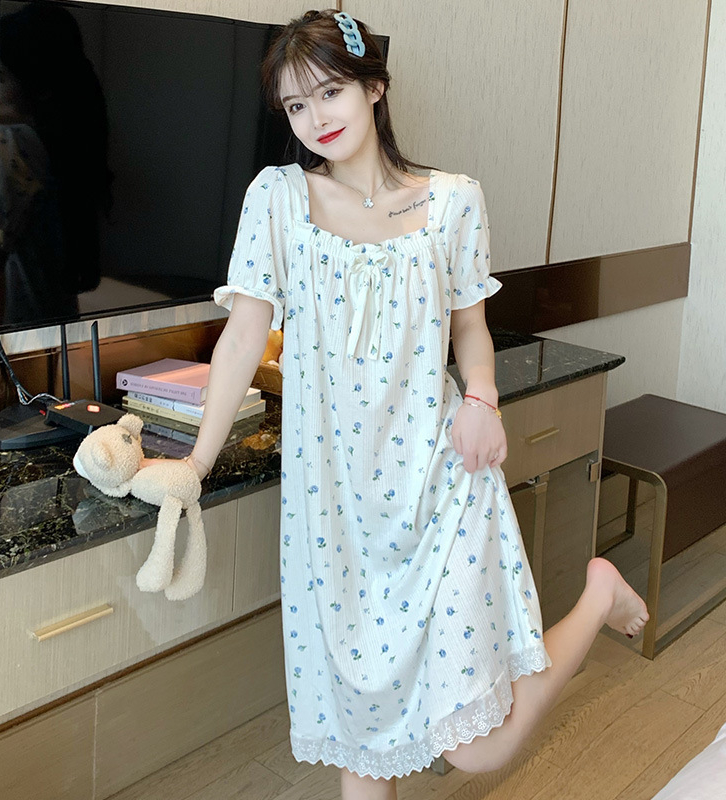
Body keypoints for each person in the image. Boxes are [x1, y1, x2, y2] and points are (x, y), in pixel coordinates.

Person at [183, 10, 648, 799]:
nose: (315, 118)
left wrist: (483, 399)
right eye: (296, 105)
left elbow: (470, 328)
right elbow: (241, 340)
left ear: (374, 87)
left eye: (329, 92)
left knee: (480, 749)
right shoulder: (278, 200)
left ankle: (598, 593)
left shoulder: (454, 202)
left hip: (440, 477)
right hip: (335, 510)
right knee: (362, 739)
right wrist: (196, 463)